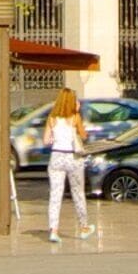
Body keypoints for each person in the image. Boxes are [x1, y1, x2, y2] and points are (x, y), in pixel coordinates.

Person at [41, 87, 94, 242]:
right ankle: (84, 227)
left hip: (56, 156)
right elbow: (83, 135)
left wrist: (55, 139)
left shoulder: (52, 118)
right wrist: (77, 112)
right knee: (78, 193)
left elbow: (46, 140)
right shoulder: (75, 117)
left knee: (55, 194)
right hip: (73, 157)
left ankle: (53, 230)